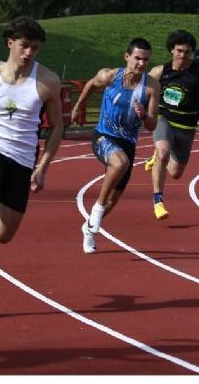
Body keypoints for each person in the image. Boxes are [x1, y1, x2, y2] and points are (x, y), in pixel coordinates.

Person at [0, 16, 63, 320]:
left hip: (22, 160)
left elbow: (57, 127)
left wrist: (43, 166)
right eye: (24, 46)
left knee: (4, 235)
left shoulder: (47, 82)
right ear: (10, 44)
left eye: (35, 47)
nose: (29, 53)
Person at [72, 38, 159, 253]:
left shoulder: (151, 87)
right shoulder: (110, 76)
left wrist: (144, 115)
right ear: (127, 56)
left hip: (127, 141)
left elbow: (152, 124)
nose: (140, 63)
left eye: (145, 60)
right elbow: (91, 84)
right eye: (137, 58)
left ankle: (88, 230)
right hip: (103, 135)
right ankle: (97, 211)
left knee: (115, 198)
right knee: (120, 163)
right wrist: (79, 105)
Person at [144, 30, 199, 219]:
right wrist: (146, 111)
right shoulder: (160, 71)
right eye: (179, 51)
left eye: (187, 52)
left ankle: (157, 156)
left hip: (187, 126)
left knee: (175, 173)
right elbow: (144, 91)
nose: (183, 56)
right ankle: (158, 202)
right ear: (172, 50)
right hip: (165, 119)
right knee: (163, 152)